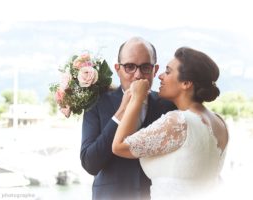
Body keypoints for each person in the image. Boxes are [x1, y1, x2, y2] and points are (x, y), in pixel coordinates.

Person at [112, 47, 229, 200]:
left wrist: (136, 99)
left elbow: (119, 146)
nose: (160, 76)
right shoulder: (220, 122)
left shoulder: (178, 121)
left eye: (167, 72)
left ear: (186, 83)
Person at [80, 37, 176, 200]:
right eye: (130, 67)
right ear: (118, 69)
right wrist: (122, 110)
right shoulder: (97, 103)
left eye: (145, 67)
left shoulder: (168, 106)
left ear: (155, 69)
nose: (138, 75)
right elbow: (90, 164)